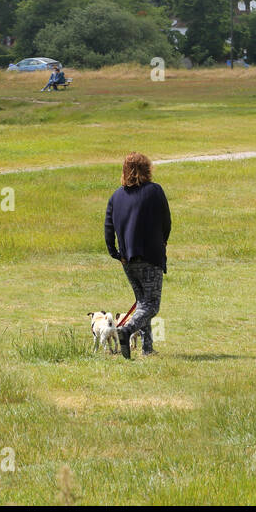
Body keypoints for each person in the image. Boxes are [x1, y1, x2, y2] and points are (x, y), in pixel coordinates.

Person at [104, 152, 172, 358]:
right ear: (147, 169)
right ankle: (126, 330)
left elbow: (108, 228)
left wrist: (115, 253)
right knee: (151, 305)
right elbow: (166, 220)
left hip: (127, 259)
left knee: (142, 302)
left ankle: (147, 349)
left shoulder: (116, 196)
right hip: (150, 257)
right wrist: (163, 240)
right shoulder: (154, 191)